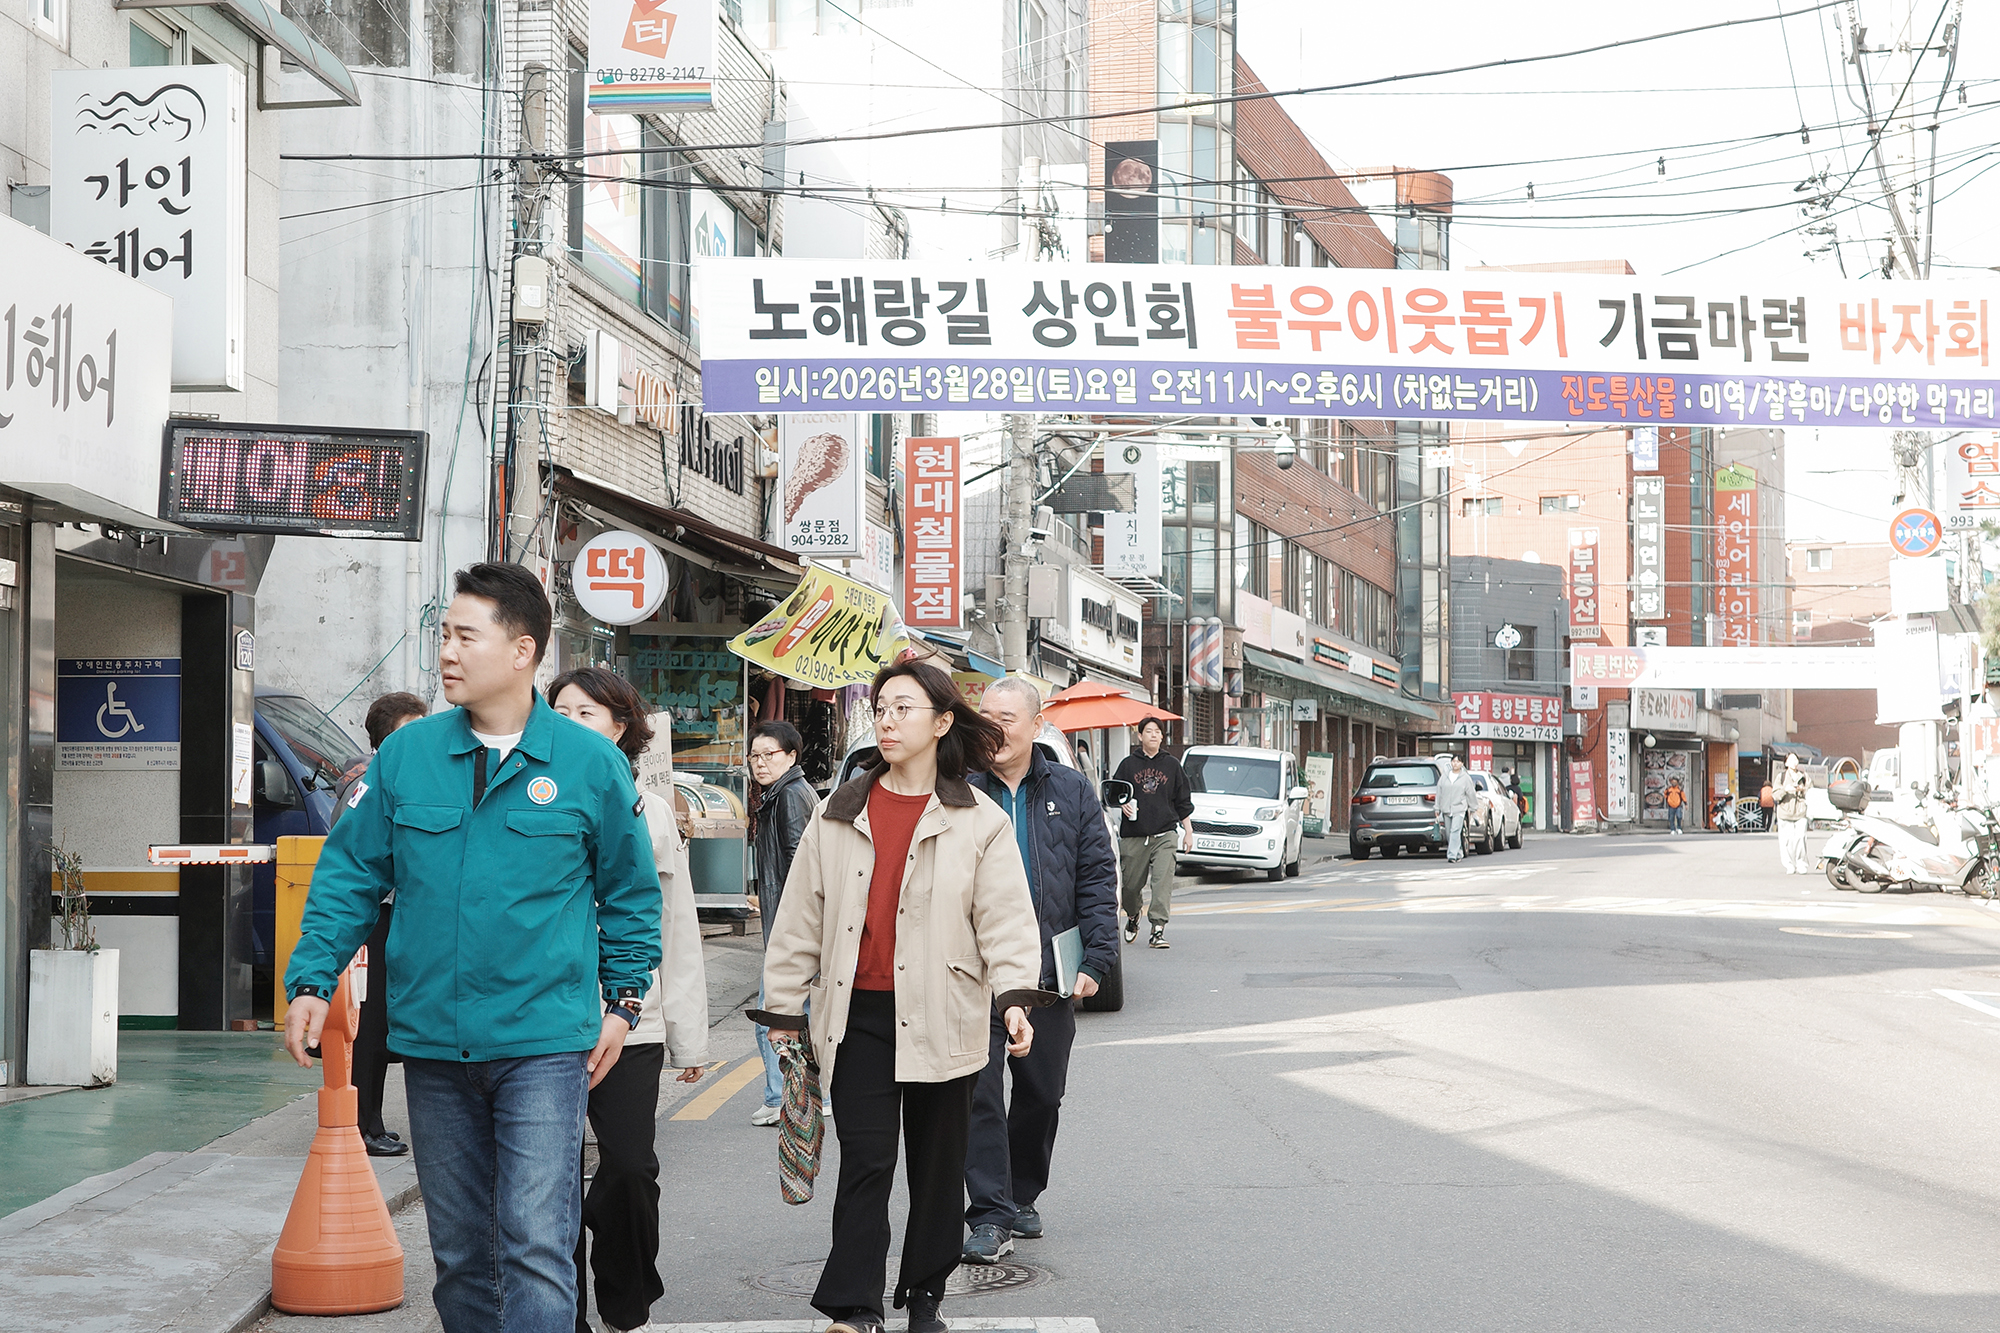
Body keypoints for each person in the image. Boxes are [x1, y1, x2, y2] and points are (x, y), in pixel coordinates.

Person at [283, 562, 662, 1333]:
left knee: (533, 1244)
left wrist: (623, 1002)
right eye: (442, 635)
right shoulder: (407, 756)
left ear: (522, 650)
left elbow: (629, 892)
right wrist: (312, 978)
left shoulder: (589, 764)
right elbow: (350, 874)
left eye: (464, 635)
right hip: (434, 1043)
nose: (446, 652)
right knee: (459, 1253)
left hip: (543, 1043)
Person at [757, 660, 1051, 1333]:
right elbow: (800, 917)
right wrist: (781, 1007)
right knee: (867, 1157)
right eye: (881, 708)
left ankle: (924, 1294)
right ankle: (855, 1304)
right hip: (857, 1014)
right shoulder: (840, 809)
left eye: (903, 709)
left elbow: (1004, 918)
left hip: (947, 1013)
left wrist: (1012, 998)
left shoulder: (976, 818)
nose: (887, 720)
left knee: (938, 1166)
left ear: (942, 722)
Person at [551, 666, 709, 1333]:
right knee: (549, 1183)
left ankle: (625, 1286)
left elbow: (676, 925)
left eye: (585, 713)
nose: (568, 722)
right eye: (559, 710)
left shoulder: (649, 812)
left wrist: (689, 1036)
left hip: (630, 1019)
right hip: (546, 1019)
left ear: (620, 727)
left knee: (628, 1167)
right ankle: (564, 1312)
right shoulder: (528, 799)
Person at [961, 678, 1120, 1264]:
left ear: (1034, 724)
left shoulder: (1073, 791)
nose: (994, 727)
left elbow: (1098, 879)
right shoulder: (957, 789)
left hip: (1048, 973)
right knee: (978, 1092)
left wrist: (1098, 959)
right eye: (985, 715)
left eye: (1006, 717)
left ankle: (1022, 1192)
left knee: (1041, 1091)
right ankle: (989, 1211)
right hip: (976, 974)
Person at [332, 691, 428, 1158]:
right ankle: (361, 1124)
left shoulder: (411, 779)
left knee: (383, 1021)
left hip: (401, 917)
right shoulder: (366, 787)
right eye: (408, 733)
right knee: (368, 1025)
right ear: (383, 742)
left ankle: (372, 1121)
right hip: (375, 918)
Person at [747, 719, 817, 1128]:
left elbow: (796, 863)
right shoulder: (780, 793)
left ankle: (780, 1098)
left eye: (768, 754)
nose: (759, 763)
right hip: (785, 923)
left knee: (771, 1014)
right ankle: (799, 1094)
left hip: (790, 928)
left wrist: (792, 928)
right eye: (754, 756)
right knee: (791, 1013)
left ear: (791, 756)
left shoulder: (790, 795)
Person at [1112, 718, 1194, 949]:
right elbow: (1114, 792)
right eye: (1149, 731)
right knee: (1129, 887)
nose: (1154, 735)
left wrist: (1188, 832)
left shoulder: (1172, 765)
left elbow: (1183, 802)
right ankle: (1133, 914)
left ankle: (1158, 929)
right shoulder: (1128, 764)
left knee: (1162, 882)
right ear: (1140, 736)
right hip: (1135, 835)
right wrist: (1122, 804)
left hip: (1165, 834)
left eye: (1158, 732)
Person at [1774, 754, 1811, 873]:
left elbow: (1810, 791)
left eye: (1796, 759)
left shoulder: (1804, 776)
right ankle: (1789, 864)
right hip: (1785, 812)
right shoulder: (1781, 777)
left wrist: (1802, 789)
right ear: (1786, 763)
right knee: (1787, 841)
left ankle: (1802, 864)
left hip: (1800, 811)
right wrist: (1785, 790)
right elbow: (1775, 794)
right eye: (1791, 760)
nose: (1794, 762)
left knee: (1801, 838)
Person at [1437, 756, 1476, 862]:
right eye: (1453, 761)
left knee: (1455, 831)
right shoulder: (1445, 776)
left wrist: (1473, 807)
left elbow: (1471, 793)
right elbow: (1439, 792)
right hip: (1446, 808)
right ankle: (1459, 852)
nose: (1455, 764)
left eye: (1458, 761)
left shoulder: (1465, 777)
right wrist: (1437, 808)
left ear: (1462, 764)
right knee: (1450, 833)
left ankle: (1452, 855)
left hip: (1459, 808)